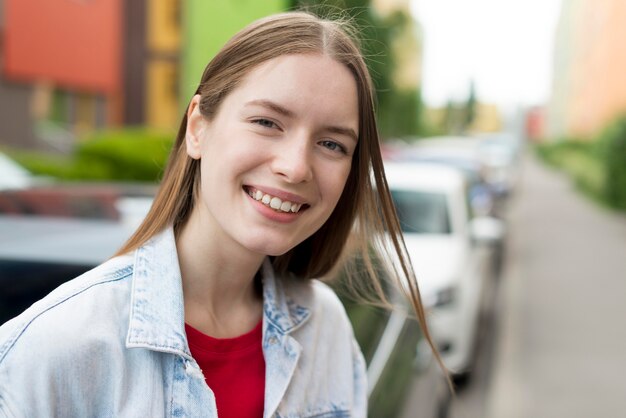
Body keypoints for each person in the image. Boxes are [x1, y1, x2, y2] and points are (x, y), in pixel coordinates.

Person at [0, 11, 441, 417]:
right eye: (267, 122)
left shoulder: (324, 328)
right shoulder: (58, 347)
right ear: (197, 128)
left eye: (332, 144)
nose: (296, 166)